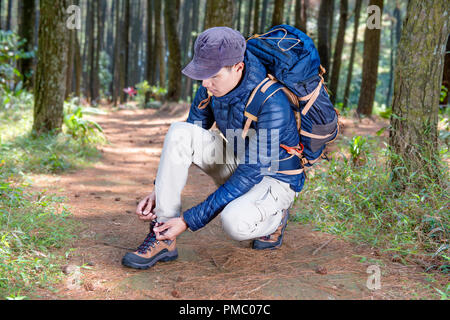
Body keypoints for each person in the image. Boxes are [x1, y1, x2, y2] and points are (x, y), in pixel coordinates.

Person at [122, 27, 305, 270]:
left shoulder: (273, 102)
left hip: (273, 176)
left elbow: (249, 175)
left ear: (238, 68)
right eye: (202, 74)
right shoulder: (211, 85)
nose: (205, 83)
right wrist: (159, 190)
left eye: (213, 76)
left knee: (235, 221)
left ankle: (276, 218)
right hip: (240, 160)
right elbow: (189, 134)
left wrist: (188, 220)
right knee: (179, 132)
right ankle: (163, 236)